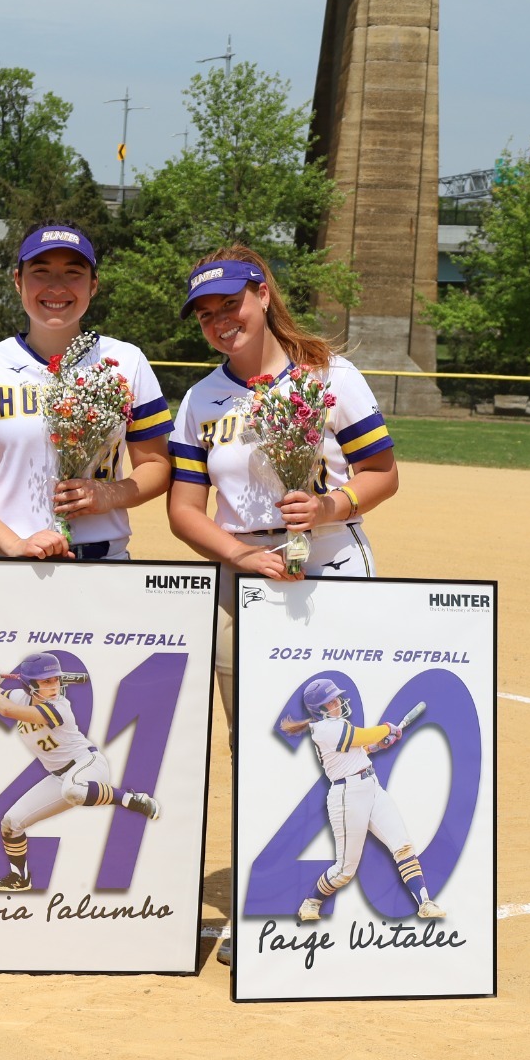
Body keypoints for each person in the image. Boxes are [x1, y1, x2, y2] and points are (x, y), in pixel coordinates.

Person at [165, 245, 400, 727]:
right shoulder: (200, 399)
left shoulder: (328, 375)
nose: (220, 321)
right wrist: (240, 556)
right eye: (206, 314)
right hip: (242, 573)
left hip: (330, 559)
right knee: (251, 737)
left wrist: (327, 507)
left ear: (264, 295)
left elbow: (382, 473)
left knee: (342, 720)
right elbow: (183, 511)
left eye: (231, 303)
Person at [0, 223, 172, 559]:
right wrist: (14, 544)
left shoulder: (126, 361)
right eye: (41, 272)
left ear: (94, 285)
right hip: (9, 561)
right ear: (18, 280)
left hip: (103, 565)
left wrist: (109, 494)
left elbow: (157, 466)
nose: (56, 287)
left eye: (73, 273)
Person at [0, 652, 161, 892]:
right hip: (61, 776)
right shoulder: (19, 697)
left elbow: (5, 710)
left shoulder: (58, 708)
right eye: (46, 681)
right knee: (11, 822)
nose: (54, 686)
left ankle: (131, 799)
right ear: (31, 684)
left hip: (88, 765)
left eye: (55, 680)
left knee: (73, 789)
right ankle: (20, 877)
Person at [281, 678, 444, 922]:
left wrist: (378, 746)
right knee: (345, 870)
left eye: (336, 698)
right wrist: (387, 729)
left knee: (402, 845)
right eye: (332, 700)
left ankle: (424, 902)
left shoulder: (335, 726)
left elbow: (359, 749)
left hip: (371, 787)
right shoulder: (325, 729)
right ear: (321, 708)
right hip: (347, 797)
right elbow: (363, 735)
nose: (338, 701)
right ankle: (311, 903)